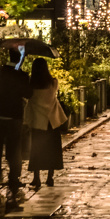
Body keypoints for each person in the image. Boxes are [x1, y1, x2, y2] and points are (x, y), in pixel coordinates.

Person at [0, 47, 33, 202]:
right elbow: (29, 93)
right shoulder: (21, 76)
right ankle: (13, 180)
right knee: (14, 150)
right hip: (14, 117)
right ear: (21, 59)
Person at [25, 59, 67, 189]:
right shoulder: (53, 82)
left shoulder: (31, 85)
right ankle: (50, 177)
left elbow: (27, 98)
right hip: (52, 121)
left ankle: (36, 178)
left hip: (38, 122)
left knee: (37, 149)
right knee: (52, 149)